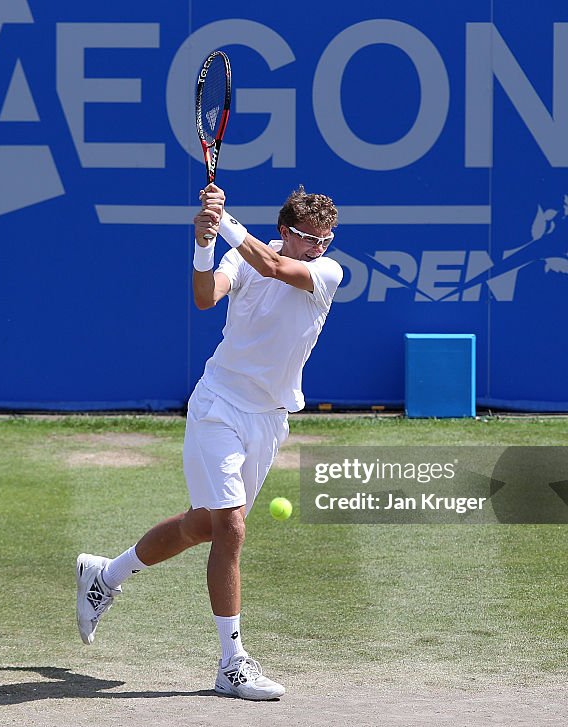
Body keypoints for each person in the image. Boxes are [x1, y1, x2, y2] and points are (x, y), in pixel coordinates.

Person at [76, 182, 343, 700]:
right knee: (231, 527)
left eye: (326, 239)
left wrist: (225, 224)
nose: (320, 248)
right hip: (218, 404)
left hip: (269, 418)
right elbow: (204, 297)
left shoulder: (325, 272)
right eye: (311, 239)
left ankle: (105, 575)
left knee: (203, 525)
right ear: (286, 231)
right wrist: (203, 242)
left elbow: (274, 269)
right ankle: (232, 663)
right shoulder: (244, 260)